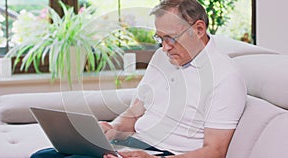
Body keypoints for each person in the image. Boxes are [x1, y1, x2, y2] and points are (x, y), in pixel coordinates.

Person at [31, 0, 246, 157]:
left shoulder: (226, 76)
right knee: (42, 157)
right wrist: (111, 130)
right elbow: (136, 110)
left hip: (166, 153)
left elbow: (215, 151)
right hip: (134, 144)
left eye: (171, 38)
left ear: (199, 29)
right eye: (159, 38)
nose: (164, 47)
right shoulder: (163, 57)